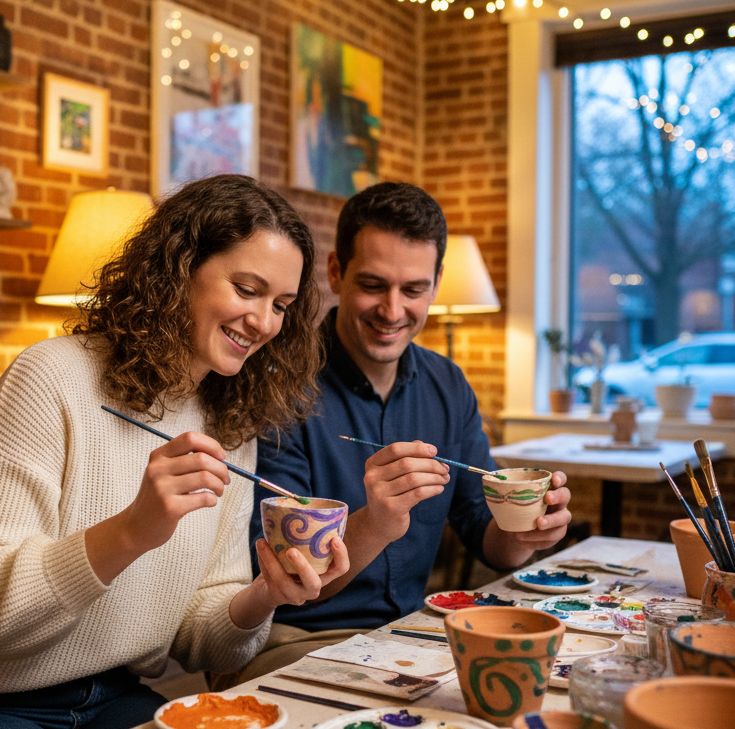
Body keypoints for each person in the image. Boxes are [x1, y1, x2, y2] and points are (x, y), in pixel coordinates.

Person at [0, 174, 348, 729]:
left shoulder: (228, 422)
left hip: (111, 698)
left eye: (282, 304)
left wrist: (267, 594)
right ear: (179, 270)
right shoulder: (52, 378)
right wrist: (132, 531)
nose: (263, 322)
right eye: (247, 288)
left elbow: (203, 643)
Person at [231, 181, 571, 681]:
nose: (392, 311)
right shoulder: (278, 382)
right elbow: (287, 578)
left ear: (435, 284)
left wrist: (527, 529)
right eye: (373, 285)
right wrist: (376, 522)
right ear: (335, 273)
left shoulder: (447, 384)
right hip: (293, 639)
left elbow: (486, 537)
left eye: (413, 290)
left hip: (412, 631)